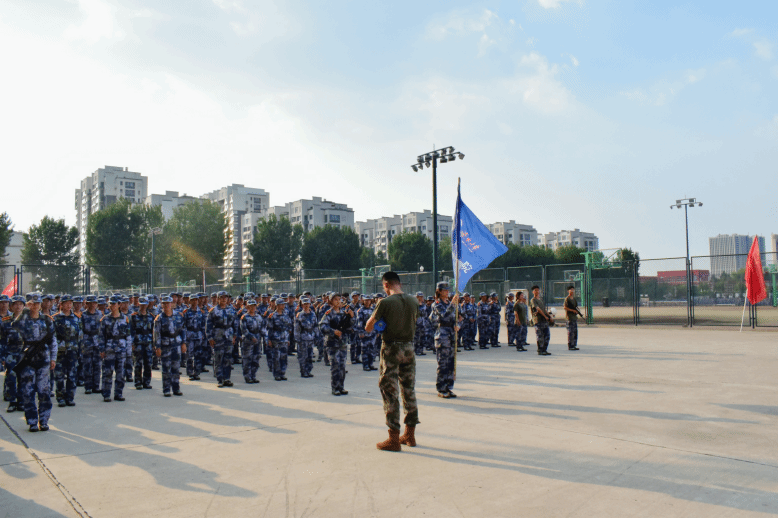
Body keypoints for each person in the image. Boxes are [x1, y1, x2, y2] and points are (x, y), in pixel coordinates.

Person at [366, 271, 420, 452]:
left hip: (391, 349)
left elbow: (368, 327)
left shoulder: (385, 302)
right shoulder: (413, 301)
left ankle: (394, 438)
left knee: (390, 391)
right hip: (409, 348)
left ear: (386, 285)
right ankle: (410, 434)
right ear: (400, 284)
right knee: (409, 389)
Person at [15, 293, 58, 432]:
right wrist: (24, 311)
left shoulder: (47, 320)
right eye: (32, 304)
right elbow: (14, 326)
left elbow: (53, 341)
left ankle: (44, 421)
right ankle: (32, 421)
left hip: (43, 359)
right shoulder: (23, 319)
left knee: (44, 391)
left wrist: (53, 358)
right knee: (28, 392)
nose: (35, 306)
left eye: (37, 303)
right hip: (27, 360)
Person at [430, 282, 460, 398]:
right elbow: (443, 315)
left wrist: (457, 325)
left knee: (451, 362)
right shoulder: (437, 304)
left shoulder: (450, 303)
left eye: (448, 290)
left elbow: (458, 317)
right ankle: (441, 388)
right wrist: (452, 304)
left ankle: (448, 387)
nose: (447, 292)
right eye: (444, 290)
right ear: (439, 291)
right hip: (442, 335)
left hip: (451, 335)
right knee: (443, 363)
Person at [319, 293, 353, 396]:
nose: (338, 301)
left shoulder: (344, 314)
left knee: (342, 366)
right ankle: (335, 388)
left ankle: (341, 387)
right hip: (332, 344)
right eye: (335, 300)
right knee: (335, 366)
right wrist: (333, 331)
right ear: (331, 302)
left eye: (339, 299)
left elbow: (351, 326)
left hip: (342, 343)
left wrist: (352, 317)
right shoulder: (329, 314)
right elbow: (322, 326)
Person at [52, 295, 82, 408]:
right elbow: (52, 337)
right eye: (66, 303)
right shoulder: (55, 318)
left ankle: (70, 397)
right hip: (60, 352)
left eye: (70, 303)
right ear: (61, 304)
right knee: (59, 376)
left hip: (72, 351)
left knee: (72, 375)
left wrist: (79, 350)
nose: (69, 305)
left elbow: (80, 336)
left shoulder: (76, 318)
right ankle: (60, 398)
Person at [154, 296, 186, 397]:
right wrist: (157, 347)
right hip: (165, 345)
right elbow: (157, 334)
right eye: (164, 303)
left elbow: (182, 330)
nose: (167, 305)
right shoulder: (159, 318)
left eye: (168, 303)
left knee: (176, 368)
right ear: (162, 305)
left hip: (176, 344)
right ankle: (166, 389)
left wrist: (184, 343)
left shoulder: (178, 316)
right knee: (166, 369)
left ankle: (176, 388)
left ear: (172, 304)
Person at [99, 298, 130, 402]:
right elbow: (101, 335)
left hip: (121, 349)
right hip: (109, 349)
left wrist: (128, 351)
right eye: (111, 304)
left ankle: (118, 393)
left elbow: (128, 335)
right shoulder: (105, 319)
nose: (113, 306)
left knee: (121, 373)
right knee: (108, 372)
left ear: (119, 305)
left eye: (115, 304)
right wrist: (102, 349)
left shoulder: (125, 318)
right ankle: (106, 394)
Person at [1, 295, 26, 412]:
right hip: (11, 353)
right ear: (11, 306)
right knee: (11, 377)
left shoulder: (28, 320)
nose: (18, 306)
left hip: (24, 354)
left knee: (23, 378)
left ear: (24, 306)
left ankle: (21, 402)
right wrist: (2, 356)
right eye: (15, 304)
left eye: (20, 304)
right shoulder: (6, 321)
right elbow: (2, 340)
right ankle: (12, 402)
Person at [206, 291, 236, 388]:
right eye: (221, 297)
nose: (224, 299)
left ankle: (227, 378)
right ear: (218, 299)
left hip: (229, 335)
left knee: (228, 358)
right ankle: (220, 379)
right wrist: (210, 338)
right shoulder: (213, 311)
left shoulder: (231, 310)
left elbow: (235, 324)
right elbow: (209, 325)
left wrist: (235, 336)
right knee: (218, 358)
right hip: (218, 336)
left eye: (225, 297)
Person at [130, 297, 155, 389]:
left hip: (148, 343)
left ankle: (146, 382)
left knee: (148, 363)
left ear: (147, 305)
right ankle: (138, 382)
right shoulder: (134, 316)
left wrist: (154, 344)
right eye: (141, 305)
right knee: (138, 364)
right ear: (138, 305)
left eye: (145, 305)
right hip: (138, 343)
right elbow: (131, 331)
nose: (143, 306)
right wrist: (132, 343)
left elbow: (153, 331)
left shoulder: (151, 317)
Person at [239, 299, 266, 384]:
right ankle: (247, 376)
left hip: (257, 340)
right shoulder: (244, 317)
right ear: (247, 307)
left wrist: (265, 338)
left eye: (254, 306)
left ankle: (253, 376)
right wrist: (251, 337)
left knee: (256, 358)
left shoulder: (259, 317)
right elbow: (244, 330)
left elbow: (263, 328)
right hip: (248, 341)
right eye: (250, 306)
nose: (252, 308)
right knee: (247, 359)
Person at [266, 298, 292, 381]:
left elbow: (288, 327)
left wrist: (288, 339)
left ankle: (282, 373)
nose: (283, 305)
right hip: (276, 339)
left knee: (284, 357)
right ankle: (277, 374)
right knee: (276, 358)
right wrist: (269, 340)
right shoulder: (272, 316)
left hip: (284, 338)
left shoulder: (286, 315)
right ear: (277, 305)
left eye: (284, 304)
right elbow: (269, 328)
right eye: (281, 304)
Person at [294, 297, 317, 378]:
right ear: (302, 305)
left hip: (311, 337)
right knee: (303, 356)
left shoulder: (313, 314)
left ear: (310, 304)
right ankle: (303, 371)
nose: (306, 305)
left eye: (307, 304)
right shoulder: (300, 315)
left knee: (310, 356)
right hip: (303, 338)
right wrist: (297, 339)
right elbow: (297, 328)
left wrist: (317, 336)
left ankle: (308, 370)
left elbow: (315, 326)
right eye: (304, 304)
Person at [529, 286, 552, 356]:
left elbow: (544, 309)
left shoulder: (540, 300)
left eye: (538, 290)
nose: (537, 291)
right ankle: (540, 350)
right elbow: (538, 309)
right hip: (538, 320)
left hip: (544, 321)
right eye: (535, 290)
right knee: (540, 336)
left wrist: (549, 316)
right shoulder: (533, 300)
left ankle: (544, 349)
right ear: (533, 292)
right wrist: (545, 316)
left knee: (547, 335)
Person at [563, 286, 581, 351]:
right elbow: (565, 307)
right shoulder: (567, 299)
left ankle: (574, 345)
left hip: (574, 318)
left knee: (575, 332)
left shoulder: (574, 299)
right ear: (568, 291)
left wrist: (577, 310)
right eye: (571, 289)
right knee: (570, 332)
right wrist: (572, 310)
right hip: (569, 318)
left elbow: (576, 306)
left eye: (573, 289)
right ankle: (570, 345)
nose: (572, 291)